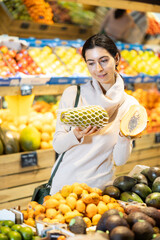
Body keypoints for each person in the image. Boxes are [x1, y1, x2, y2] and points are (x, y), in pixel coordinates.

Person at [50, 33, 139, 195]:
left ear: (116, 59)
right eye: (91, 63)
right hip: (64, 188)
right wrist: (76, 134)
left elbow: (120, 160)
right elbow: (57, 145)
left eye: (104, 61)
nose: (98, 69)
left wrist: (124, 134)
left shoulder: (129, 105)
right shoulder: (73, 94)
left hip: (99, 191)